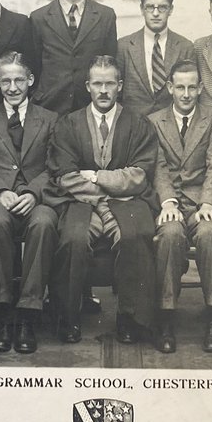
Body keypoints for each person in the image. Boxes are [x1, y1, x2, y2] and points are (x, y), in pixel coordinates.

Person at [45, 56, 158, 344]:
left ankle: (130, 318)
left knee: (136, 235)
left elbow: (139, 175)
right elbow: (65, 176)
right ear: (88, 86)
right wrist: (106, 196)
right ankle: (68, 316)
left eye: (110, 83)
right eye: (98, 84)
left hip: (128, 203)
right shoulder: (69, 124)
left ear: (120, 85)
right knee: (73, 238)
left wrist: (96, 177)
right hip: (83, 202)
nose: (104, 90)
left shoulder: (137, 123)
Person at [0, 52, 59, 354]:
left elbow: (56, 166)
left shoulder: (49, 119)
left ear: (30, 80)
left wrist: (33, 193)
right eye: (7, 81)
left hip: (36, 198)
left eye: (19, 80)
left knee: (44, 223)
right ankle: (1, 312)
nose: (13, 87)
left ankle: (28, 313)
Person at [147, 60, 212, 353]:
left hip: (200, 200)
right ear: (170, 87)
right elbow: (156, 167)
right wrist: (167, 200)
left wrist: (208, 202)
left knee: (210, 234)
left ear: (200, 88)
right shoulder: (155, 120)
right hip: (169, 201)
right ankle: (166, 315)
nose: (185, 94)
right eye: (179, 87)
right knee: (169, 235)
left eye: (191, 87)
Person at [29, 0, 118, 114]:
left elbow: (110, 65)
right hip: (50, 109)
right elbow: (34, 68)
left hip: (90, 109)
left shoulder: (105, 16)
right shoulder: (38, 18)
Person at [115, 0, 195, 118]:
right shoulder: (124, 46)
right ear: (141, 9)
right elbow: (117, 94)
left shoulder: (185, 47)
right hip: (134, 127)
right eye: (150, 7)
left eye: (162, 7)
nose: (156, 13)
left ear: (171, 9)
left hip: (171, 127)